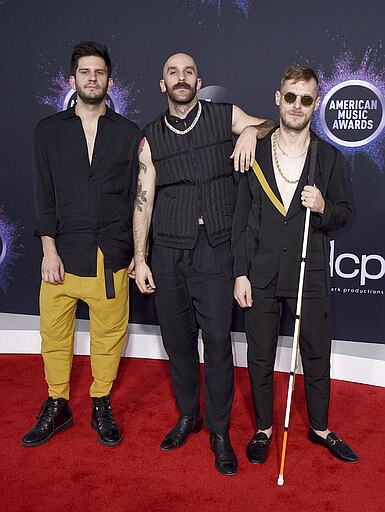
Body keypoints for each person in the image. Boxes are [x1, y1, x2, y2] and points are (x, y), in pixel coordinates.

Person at [133, 52, 275, 476]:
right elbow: (143, 200)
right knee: (177, 342)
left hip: (215, 248)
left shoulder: (223, 115)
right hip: (169, 251)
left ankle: (219, 431)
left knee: (216, 342)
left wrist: (251, 131)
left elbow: (269, 125)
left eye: (188, 72)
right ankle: (187, 415)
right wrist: (140, 259)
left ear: (199, 81)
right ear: (162, 85)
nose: (181, 78)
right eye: (173, 73)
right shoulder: (150, 136)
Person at [232, 65, 359, 465]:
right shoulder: (254, 152)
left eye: (306, 99)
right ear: (278, 98)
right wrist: (240, 273)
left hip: (311, 273)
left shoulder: (330, 158)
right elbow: (240, 221)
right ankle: (263, 429)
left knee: (317, 354)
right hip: (262, 273)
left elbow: (344, 211)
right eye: (291, 96)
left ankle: (320, 428)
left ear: (316, 103)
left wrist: (323, 208)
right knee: (260, 356)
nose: (297, 105)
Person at [22, 41, 141, 448]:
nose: (93, 78)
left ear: (109, 80)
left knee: (109, 335)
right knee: (54, 335)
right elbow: (43, 193)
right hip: (61, 254)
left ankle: (100, 401)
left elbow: (136, 197)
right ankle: (57, 404)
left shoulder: (128, 134)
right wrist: (48, 250)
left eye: (100, 72)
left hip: (110, 253)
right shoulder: (48, 131)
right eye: (85, 72)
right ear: (72, 80)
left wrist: (134, 254)